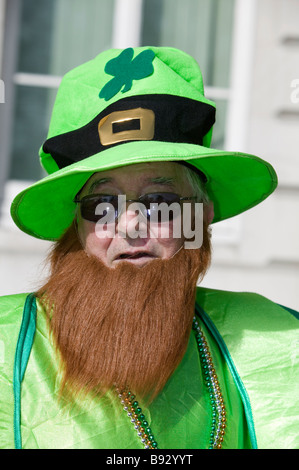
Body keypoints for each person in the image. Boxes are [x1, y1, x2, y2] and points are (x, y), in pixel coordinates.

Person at [0, 46, 298, 450]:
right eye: (102, 206)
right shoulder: (6, 342)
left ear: (202, 215)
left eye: (160, 202)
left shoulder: (278, 336)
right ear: (77, 228)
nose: (130, 225)